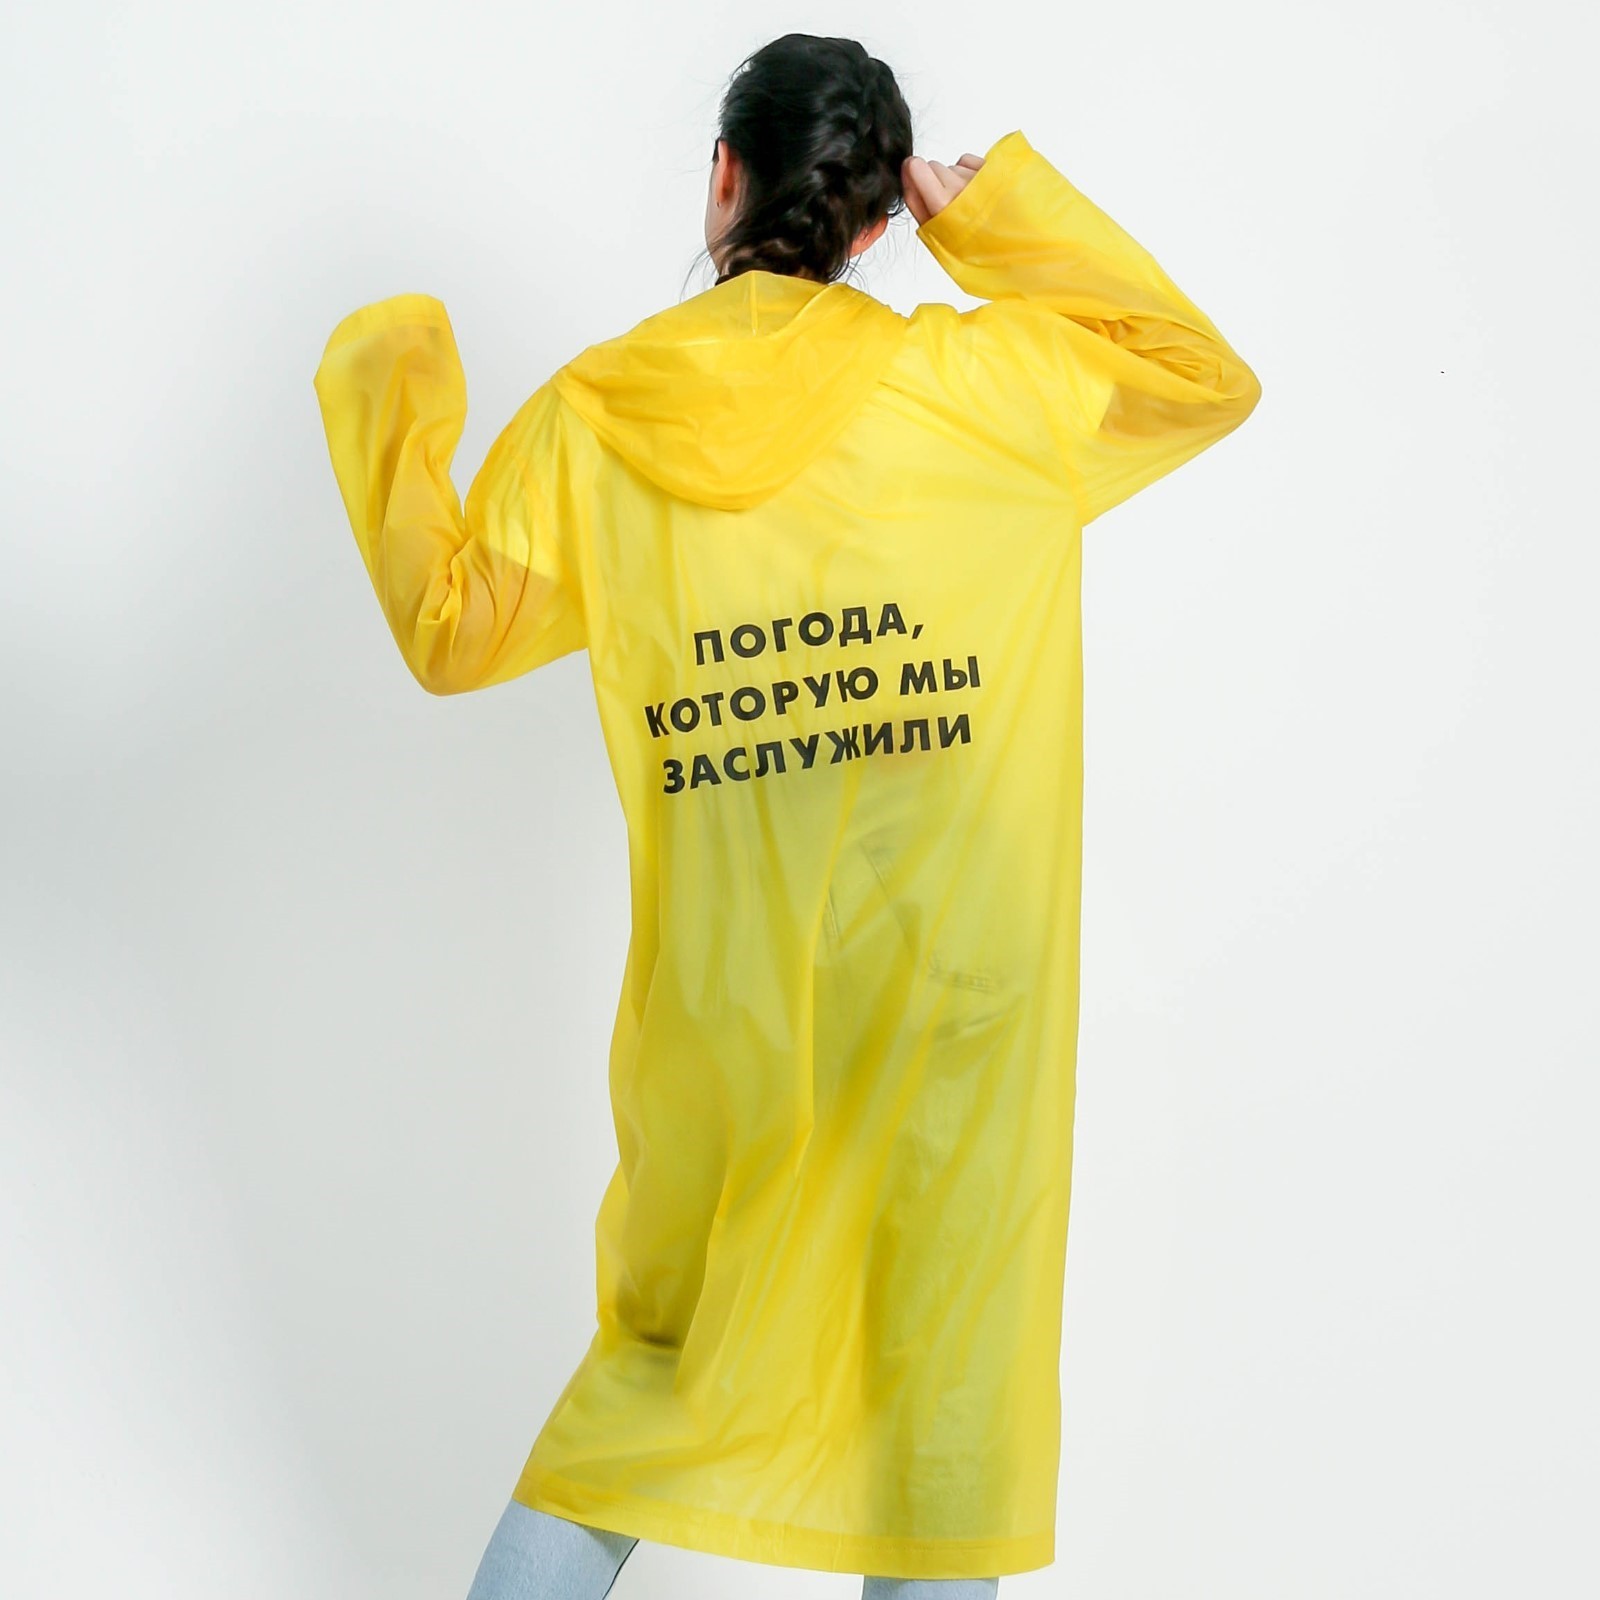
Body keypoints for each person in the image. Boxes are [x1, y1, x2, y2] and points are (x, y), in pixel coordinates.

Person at [312, 31, 1261, 1600]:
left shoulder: (606, 418)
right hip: (955, 1009)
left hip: (731, 1018)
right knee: (938, 1417)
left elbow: (453, 627)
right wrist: (992, 217)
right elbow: (1199, 378)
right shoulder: (984, 391)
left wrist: (394, 379)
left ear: (723, 178)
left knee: (649, 1394)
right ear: (877, 218)